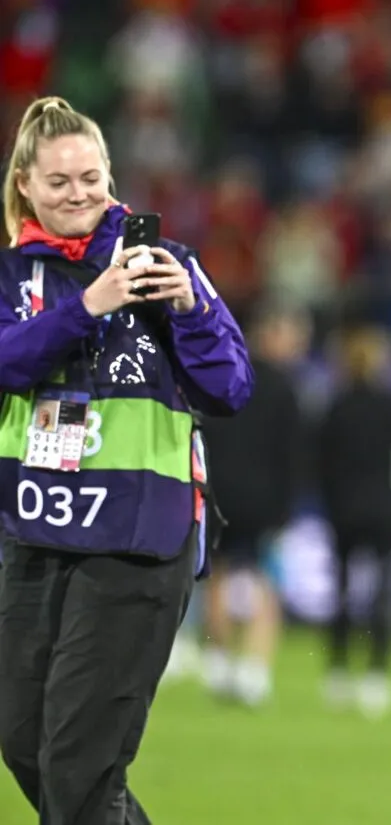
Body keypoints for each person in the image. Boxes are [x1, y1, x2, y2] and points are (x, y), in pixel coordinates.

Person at [0, 96, 252, 822]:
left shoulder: (166, 265)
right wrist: (87, 307)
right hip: (35, 535)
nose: (77, 194)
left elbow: (231, 388)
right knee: (23, 741)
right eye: (58, 182)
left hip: (137, 538)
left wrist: (190, 310)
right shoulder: (11, 276)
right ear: (25, 185)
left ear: (110, 175)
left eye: (90, 178)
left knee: (79, 765)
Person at [200, 304, 310, 707]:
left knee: (217, 576)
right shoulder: (284, 387)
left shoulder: (226, 374)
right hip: (265, 500)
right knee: (266, 581)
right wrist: (287, 505)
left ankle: (219, 663)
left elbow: (207, 435)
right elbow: (293, 453)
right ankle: (254, 670)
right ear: (270, 334)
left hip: (221, 494)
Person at [316, 324, 391, 719]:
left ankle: (338, 670)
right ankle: (376, 674)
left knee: (341, 592)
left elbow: (319, 462)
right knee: (382, 593)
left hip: (343, 508)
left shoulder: (336, 405)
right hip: (382, 508)